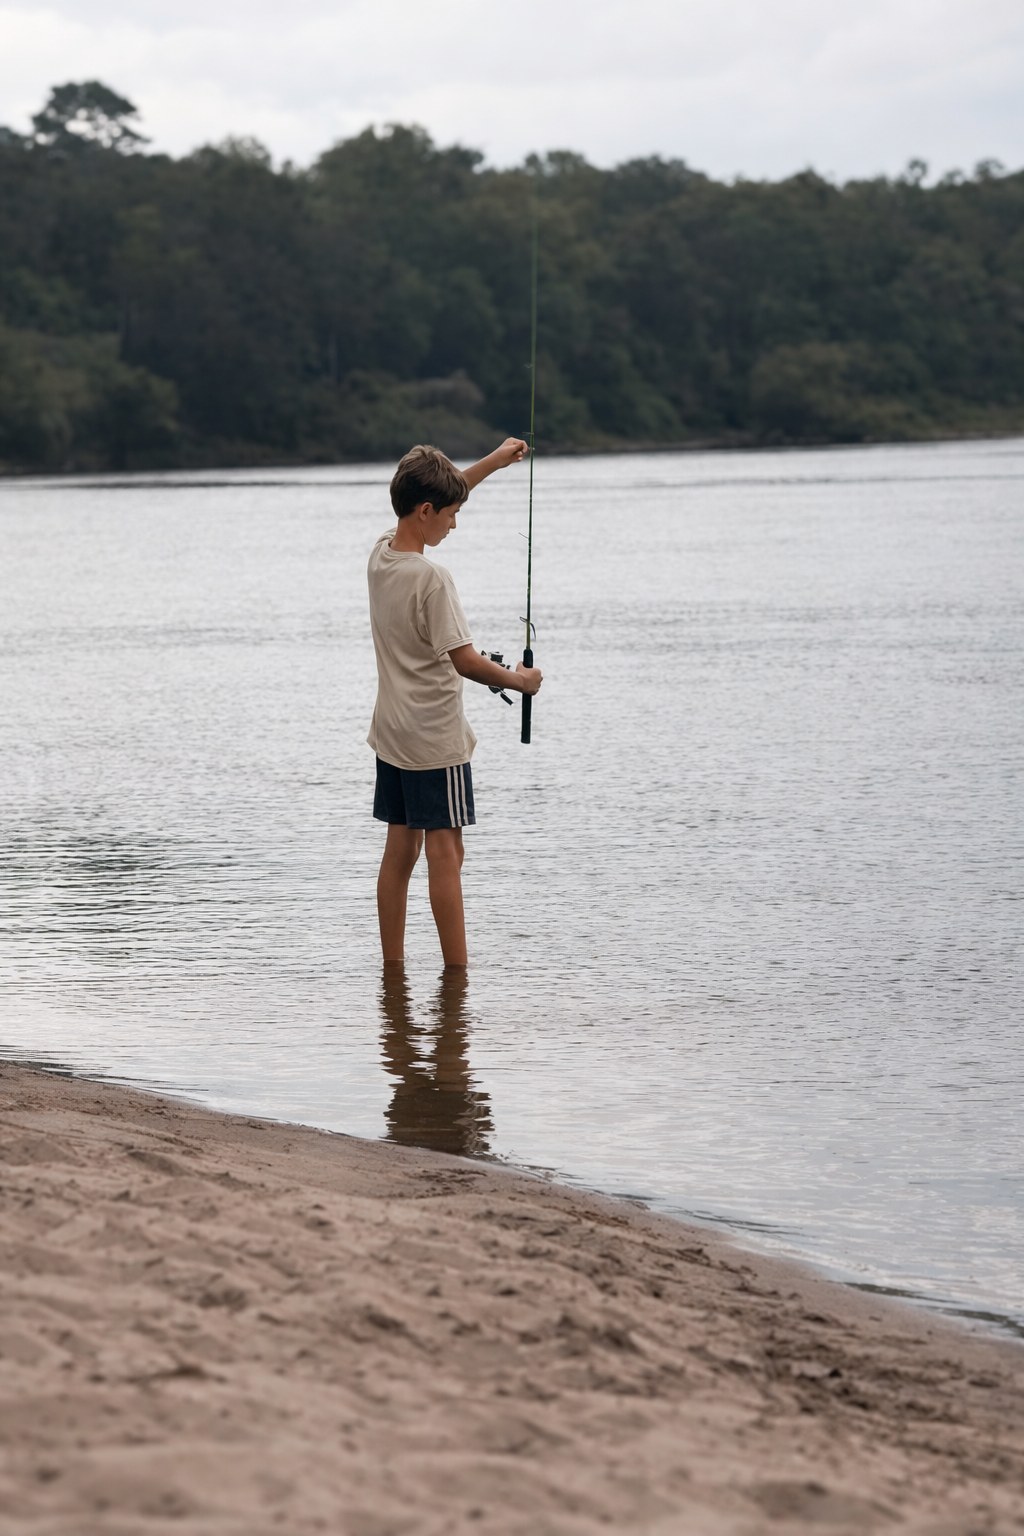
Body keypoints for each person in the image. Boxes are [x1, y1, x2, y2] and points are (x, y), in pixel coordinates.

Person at [367, 438, 542, 967]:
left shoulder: (381, 555)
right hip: (434, 740)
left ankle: (392, 968)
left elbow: (442, 491)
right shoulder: (433, 579)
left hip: (392, 734)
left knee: (401, 851)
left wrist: (492, 461)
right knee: (447, 852)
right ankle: (457, 974)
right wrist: (519, 680)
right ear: (425, 512)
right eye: (451, 515)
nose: (455, 524)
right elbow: (465, 660)